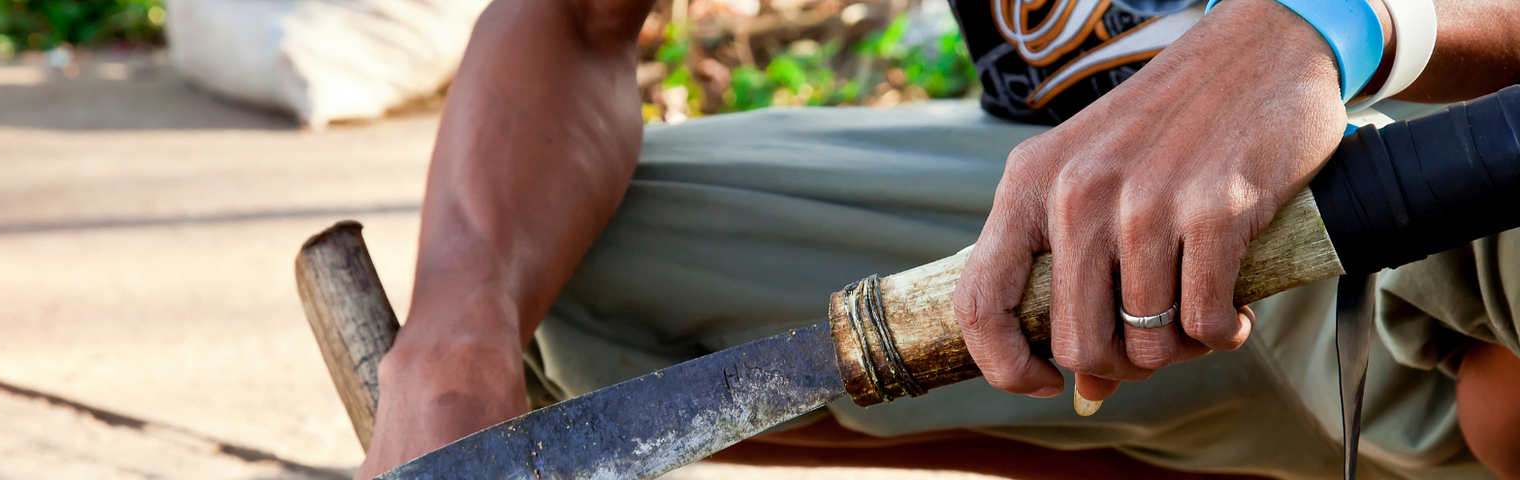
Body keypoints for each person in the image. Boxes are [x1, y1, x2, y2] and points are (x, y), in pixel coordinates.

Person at [353, 0, 1520, 477]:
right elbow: (574, 18)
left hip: (1438, 140)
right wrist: (457, 338)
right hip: (1077, 201)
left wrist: (1344, 23)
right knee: (549, 282)